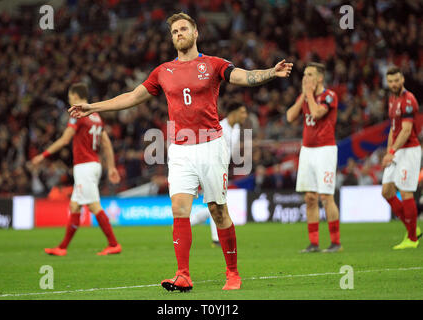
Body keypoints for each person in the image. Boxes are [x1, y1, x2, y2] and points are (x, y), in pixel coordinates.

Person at [68, 12, 292, 291]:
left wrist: (271, 72)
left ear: (195, 33)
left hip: (211, 146)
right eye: (174, 31)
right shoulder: (163, 71)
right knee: (179, 208)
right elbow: (131, 97)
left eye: (183, 29)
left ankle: (232, 273)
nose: (178, 34)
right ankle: (183, 274)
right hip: (181, 149)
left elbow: (243, 77)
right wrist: (93, 106)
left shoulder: (213, 64)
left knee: (217, 209)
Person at [32, 83, 122, 256]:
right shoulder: (96, 116)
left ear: (74, 95)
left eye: (69, 95)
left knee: (94, 206)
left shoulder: (77, 113)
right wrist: (110, 166)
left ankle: (113, 244)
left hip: (84, 166)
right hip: (94, 165)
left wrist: (42, 155)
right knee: (74, 206)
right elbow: (106, 143)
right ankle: (62, 247)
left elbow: (65, 140)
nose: (68, 98)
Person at [286, 62, 342, 253]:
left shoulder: (329, 96)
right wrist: (304, 95)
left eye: (309, 75)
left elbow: (318, 113)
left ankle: (336, 242)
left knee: (326, 197)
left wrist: (309, 95)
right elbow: (290, 116)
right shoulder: (305, 97)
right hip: (307, 150)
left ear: (319, 78)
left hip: (325, 150)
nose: (305, 78)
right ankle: (314, 243)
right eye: (304, 74)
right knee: (310, 197)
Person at [189, 102, 248, 247]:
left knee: (214, 205)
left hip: (222, 170)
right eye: (242, 112)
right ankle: (216, 239)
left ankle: (186, 222)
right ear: (233, 112)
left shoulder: (237, 129)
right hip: (210, 169)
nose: (245, 115)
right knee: (216, 203)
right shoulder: (219, 127)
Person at [380, 66, 422, 250]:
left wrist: (392, 151)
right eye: (390, 81)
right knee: (387, 192)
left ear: (402, 79)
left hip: (409, 150)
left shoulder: (408, 99)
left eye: (396, 80)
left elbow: (406, 131)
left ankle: (412, 239)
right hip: (397, 150)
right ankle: (413, 229)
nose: (394, 84)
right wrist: (390, 149)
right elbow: (393, 128)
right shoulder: (392, 99)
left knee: (405, 192)